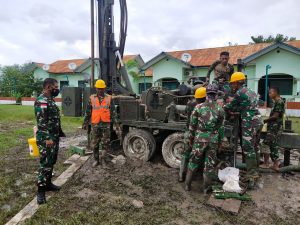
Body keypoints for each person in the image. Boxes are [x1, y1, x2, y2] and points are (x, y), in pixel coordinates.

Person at [224, 72, 263, 187]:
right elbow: (243, 106)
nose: (232, 86)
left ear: (237, 83)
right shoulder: (251, 91)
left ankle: (252, 174)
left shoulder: (239, 93)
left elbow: (229, 106)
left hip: (249, 122)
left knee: (247, 147)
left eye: (232, 84)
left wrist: (222, 109)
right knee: (255, 146)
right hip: (258, 120)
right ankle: (255, 170)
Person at [185, 84, 224, 193]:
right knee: (209, 165)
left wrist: (191, 138)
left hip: (199, 139)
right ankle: (206, 189)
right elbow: (220, 128)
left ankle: (187, 185)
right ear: (216, 95)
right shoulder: (220, 109)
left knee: (193, 161)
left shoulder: (198, 107)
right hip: (213, 140)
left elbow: (192, 126)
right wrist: (220, 142)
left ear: (206, 94)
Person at [34, 78, 65, 205]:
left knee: (51, 161)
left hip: (54, 137)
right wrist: (47, 138)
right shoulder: (41, 101)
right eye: (55, 87)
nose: (57, 89)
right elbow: (41, 121)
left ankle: (48, 184)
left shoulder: (50, 100)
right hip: (46, 138)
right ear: (48, 87)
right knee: (45, 164)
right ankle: (40, 192)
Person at [82, 79, 117, 167]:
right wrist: (85, 122)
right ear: (96, 88)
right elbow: (88, 111)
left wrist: (116, 124)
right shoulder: (92, 98)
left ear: (104, 88)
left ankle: (104, 160)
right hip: (95, 124)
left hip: (106, 124)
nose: (100, 90)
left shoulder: (109, 98)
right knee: (95, 143)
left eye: (102, 88)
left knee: (105, 143)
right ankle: (96, 160)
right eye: (98, 88)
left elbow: (113, 112)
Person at [179, 87, 206, 182]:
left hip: (189, 132)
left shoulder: (191, 104)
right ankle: (197, 177)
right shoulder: (206, 106)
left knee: (185, 154)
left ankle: (181, 176)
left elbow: (186, 113)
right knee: (199, 155)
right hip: (200, 135)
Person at [261, 87, 285, 170]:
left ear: (275, 92)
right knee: (270, 144)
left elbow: (275, 116)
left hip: (275, 127)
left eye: (270, 93)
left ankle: (272, 164)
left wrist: (264, 120)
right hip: (273, 126)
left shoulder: (279, 102)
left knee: (269, 144)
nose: (269, 94)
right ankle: (271, 163)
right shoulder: (276, 102)